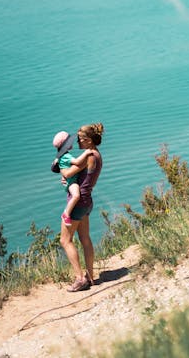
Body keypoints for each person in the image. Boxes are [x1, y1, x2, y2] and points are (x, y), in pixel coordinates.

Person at [59, 123, 104, 292]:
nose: (77, 142)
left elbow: (68, 173)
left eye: (79, 139)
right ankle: (90, 276)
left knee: (65, 240)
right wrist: (70, 179)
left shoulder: (88, 156)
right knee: (85, 238)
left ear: (87, 140)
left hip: (78, 203)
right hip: (87, 201)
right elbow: (81, 176)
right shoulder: (97, 155)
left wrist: (61, 166)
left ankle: (80, 279)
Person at [52, 131, 92, 226]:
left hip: (71, 180)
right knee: (76, 196)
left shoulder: (63, 155)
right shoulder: (66, 156)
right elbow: (77, 162)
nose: (72, 143)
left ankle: (66, 214)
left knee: (76, 196)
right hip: (71, 181)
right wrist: (86, 153)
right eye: (69, 142)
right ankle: (66, 214)